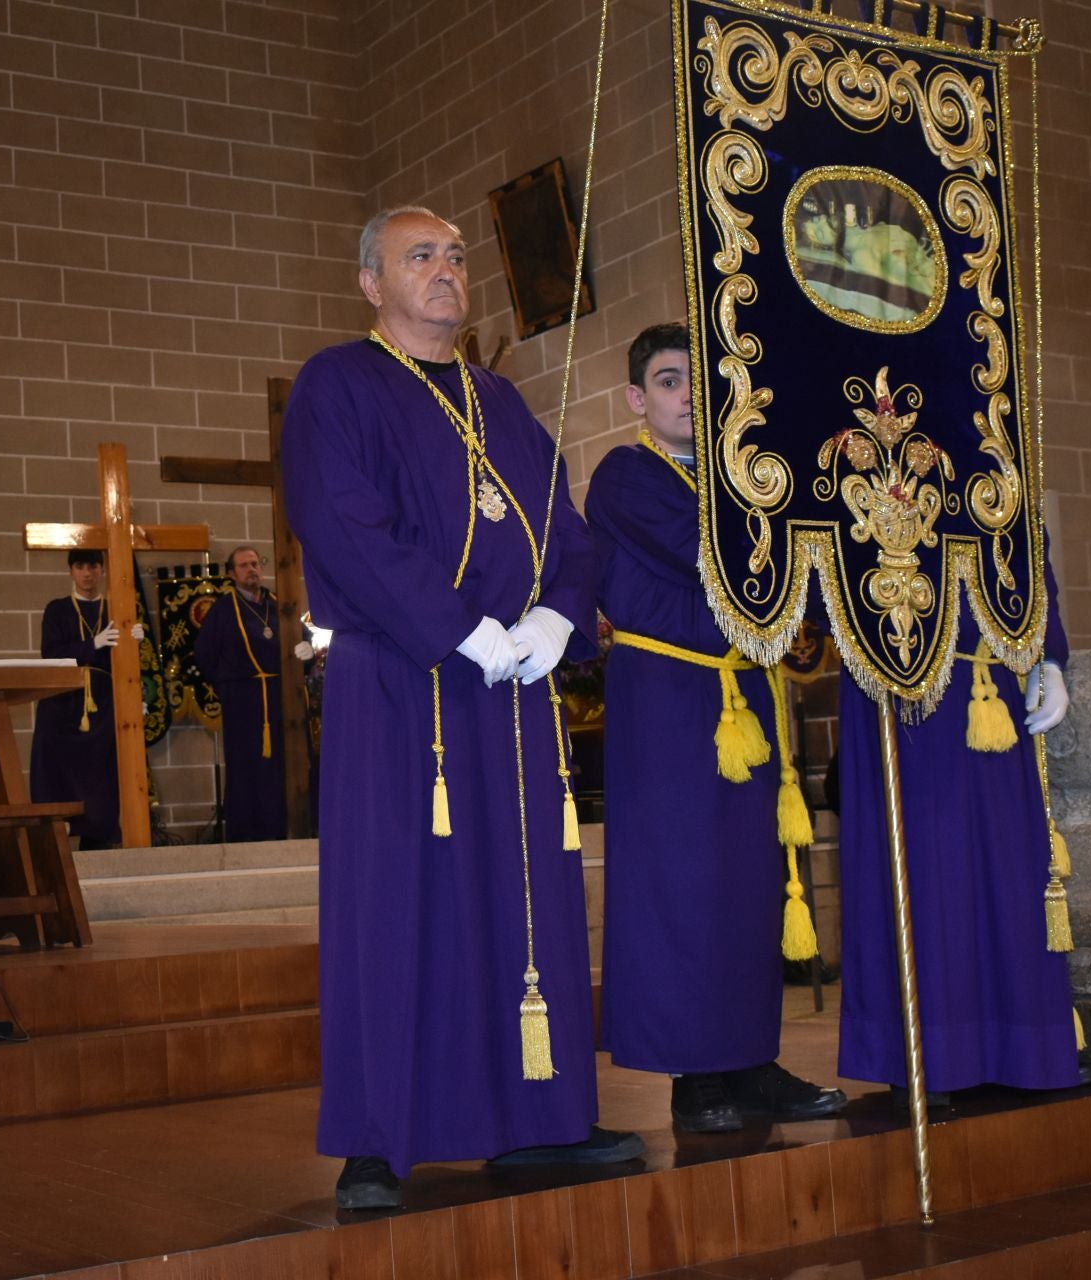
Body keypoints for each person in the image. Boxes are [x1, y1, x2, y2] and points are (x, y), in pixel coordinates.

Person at [281, 205, 638, 1210]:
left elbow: (564, 528)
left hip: (513, 693)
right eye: (420, 256)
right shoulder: (336, 385)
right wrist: (456, 629)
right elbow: (344, 526)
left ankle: (538, 1119)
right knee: (397, 903)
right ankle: (380, 1137)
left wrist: (559, 616)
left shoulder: (499, 398)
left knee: (523, 900)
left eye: (455, 256)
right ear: (371, 283)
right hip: (402, 683)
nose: (446, 270)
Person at [589, 322, 846, 1132]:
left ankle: (752, 1059)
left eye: (700, 382)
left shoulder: (744, 483)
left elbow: (785, 572)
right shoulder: (626, 475)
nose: (689, 397)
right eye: (669, 381)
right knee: (681, 884)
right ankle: (694, 1077)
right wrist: (796, 545)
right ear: (637, 398)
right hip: (670, 704)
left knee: (749, 884)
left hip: (749, 703)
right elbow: (717, 557)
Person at [833, 528, 1077, 1099]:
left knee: (1011, 871)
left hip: (996, 682)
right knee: (928, 872)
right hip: (904, 678)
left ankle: (1026, 1050)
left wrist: (1050, 656)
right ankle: (930, 1055)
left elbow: (1025, 544)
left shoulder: (995, 469)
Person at [29, 550, 144, 851]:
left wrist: (136, 642)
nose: (87, 573)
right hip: (64, 704)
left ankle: (99, 844)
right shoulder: (57, 609)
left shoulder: (117, 609)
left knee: (101, 778)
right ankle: (54, 846)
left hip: (103, 705)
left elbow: (129, 664)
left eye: (93, 566)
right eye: (80, 566)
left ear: (102, 570)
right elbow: (51, 654)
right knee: (56, 774)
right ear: (71, 571)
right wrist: (93, 643)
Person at [193, 546, 287, 842]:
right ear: (232, 574)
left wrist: (306, 652)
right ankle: (248, 835)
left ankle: (281, 830)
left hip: (278, 700)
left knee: (280, 767)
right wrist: (229, 686)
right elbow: (205, 655)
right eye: (244, 566)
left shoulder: (278, 604)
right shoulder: (222, 611)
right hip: (242, 704)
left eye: (255, 564)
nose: (252, 570)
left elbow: (302, 641)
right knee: (246, 767)